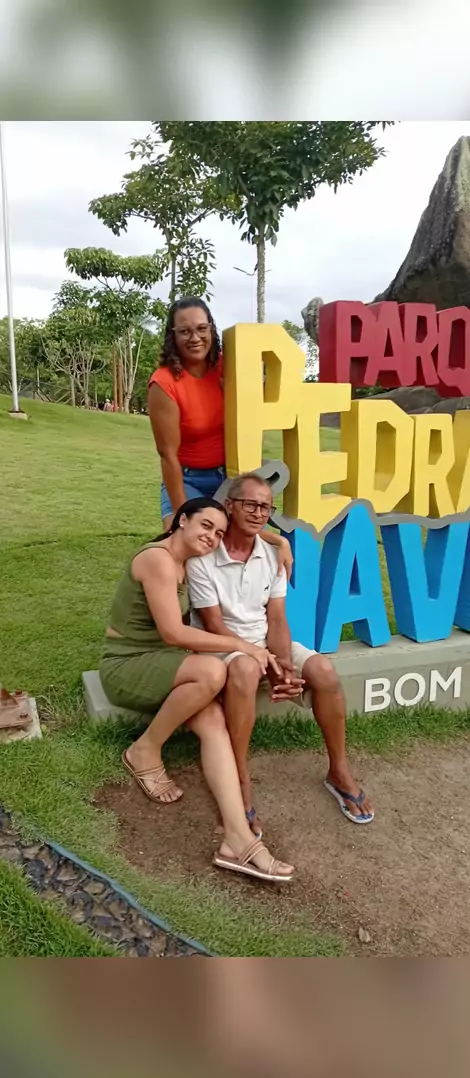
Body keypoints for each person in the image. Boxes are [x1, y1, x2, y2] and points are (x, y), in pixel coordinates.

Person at [99, 496, 294, 883]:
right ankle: (144, 750)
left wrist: (280, 541)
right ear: (182, 520)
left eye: (218, 533)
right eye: (205, 526)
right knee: (211, 673)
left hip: (166, 663)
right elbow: (173, 633)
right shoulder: (157, 559)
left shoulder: (188, 559)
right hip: (126, 665)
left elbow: (245, 531)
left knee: (213, 722)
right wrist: (242, 645)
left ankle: (237, 840)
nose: (212, 536)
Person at [186, 474, 374, 840]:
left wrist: (283, 665)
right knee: (244, 669)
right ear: (229, 506)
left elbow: (276, 619)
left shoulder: (272, 555)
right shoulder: (203, 558)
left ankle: (339, 770)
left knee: (323, 670)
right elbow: (214, 626)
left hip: (262, 642)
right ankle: (239, 778)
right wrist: (262, 659)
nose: (259, 513)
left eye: (266, 508)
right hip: (222, 646)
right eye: (250, 505)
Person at [147, 295, 293, 576]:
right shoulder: (164, 383)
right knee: (182, 555)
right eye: (185, 331)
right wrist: (181, 517)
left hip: (231, 477)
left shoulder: (230, 367)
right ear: (172, 336)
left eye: (201, 328)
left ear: (211, 329)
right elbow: (168, 455)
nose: (195, 338)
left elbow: (261, 406)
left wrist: (239, 390)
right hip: (187, 479)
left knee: (245, 552)